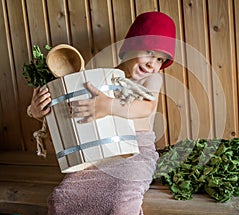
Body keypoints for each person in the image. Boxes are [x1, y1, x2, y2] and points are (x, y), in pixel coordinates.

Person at [28, 11, 176, 215]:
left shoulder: (151, 80)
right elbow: (79, 113)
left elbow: (146, 107)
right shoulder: (106, 77)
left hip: (137, 153)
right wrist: (38, 113)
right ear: (131, 47)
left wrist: (109, 106)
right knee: (61, 199)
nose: (153, 64)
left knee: (120, 202)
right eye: (150, 52)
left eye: (161, 59)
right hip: (103, 151)